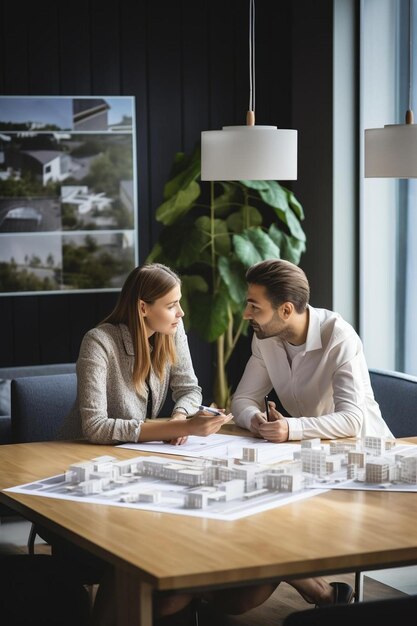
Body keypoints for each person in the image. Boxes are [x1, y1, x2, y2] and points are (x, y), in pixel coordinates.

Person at [60, 262, 231, 445]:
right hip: (80, 451)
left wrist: (179, 418)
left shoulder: (172, 330)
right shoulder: (98, 342)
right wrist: (183, 428)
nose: (180, 313)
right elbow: (95, 427)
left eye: (178, 302)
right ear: (143, 308)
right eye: (171, 305)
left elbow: (189, 389)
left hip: (129, 452)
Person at [232, 258, 393, 442]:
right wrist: (254, 418)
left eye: (255, 307)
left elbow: (351, 420)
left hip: (366, 451)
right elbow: (242, 399)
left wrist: (290, 428)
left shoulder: (339, 337)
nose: (246, 314)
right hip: (313, 452)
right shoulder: (265, 338)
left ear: (286, 310)